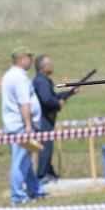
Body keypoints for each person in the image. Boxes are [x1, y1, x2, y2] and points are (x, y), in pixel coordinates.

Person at [1, 49, 48, 204]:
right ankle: (18, 195)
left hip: (14, 124)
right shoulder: (20, 78)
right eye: (29, 57)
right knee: (20, 162)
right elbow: (24, 103)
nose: (31, 60)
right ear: (21, 59)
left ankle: (36, 191)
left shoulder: (8, 76)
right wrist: (28, 125)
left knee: (26, 162)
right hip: (21, 126)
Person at [33, 54, 79, 183]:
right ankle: (42, 175)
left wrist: (69, 93)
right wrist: (57, 103)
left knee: (47, 147)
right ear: (42, 67)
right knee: (45, 147)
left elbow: (52, 96)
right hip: (43, 119)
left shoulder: (43, 80)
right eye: (49, 64)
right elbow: (47, 100)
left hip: (46, 118)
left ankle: (48, 172)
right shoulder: (41, 81)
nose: (51, 66)